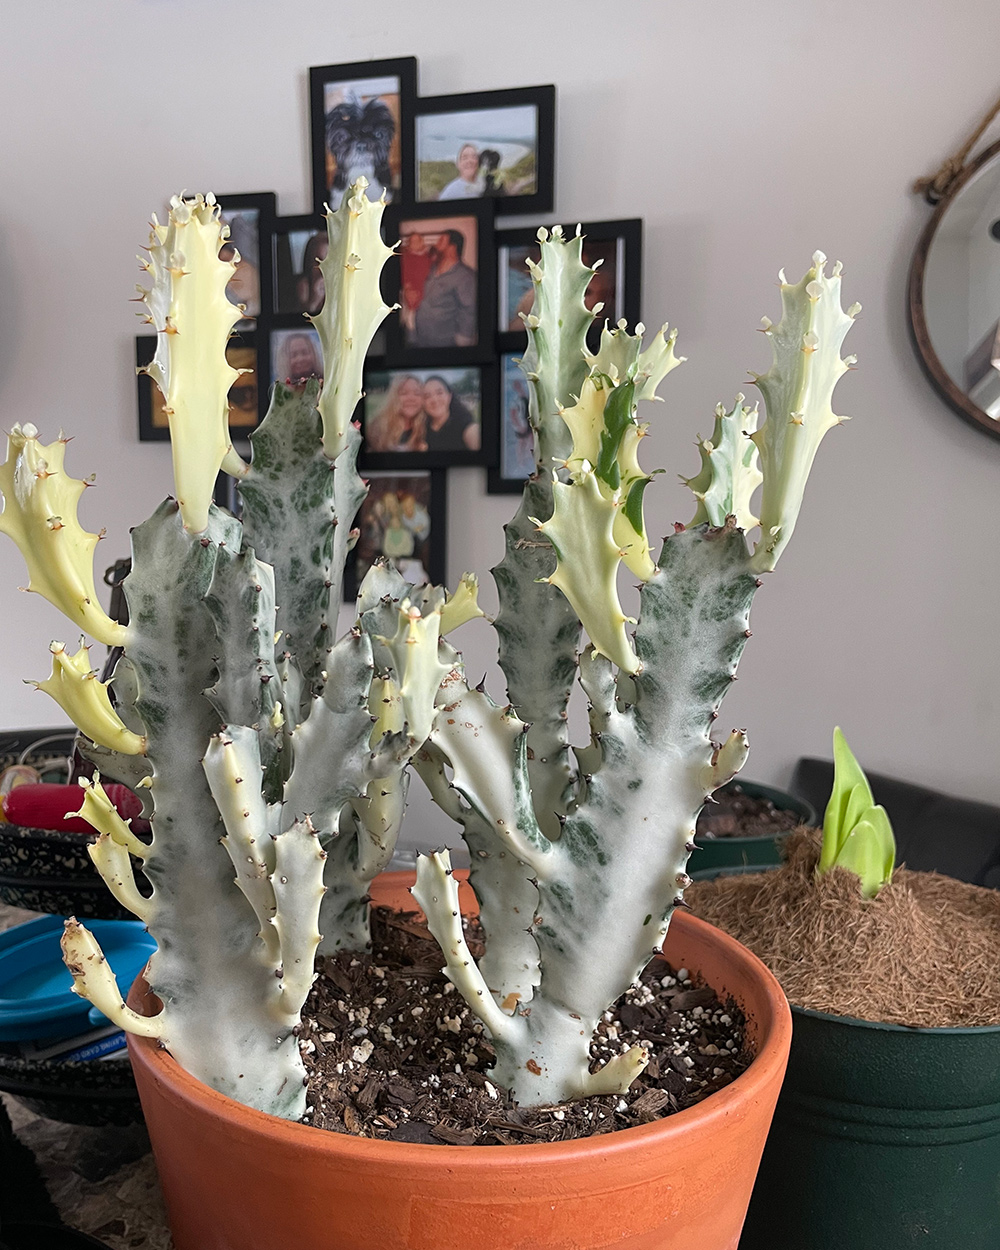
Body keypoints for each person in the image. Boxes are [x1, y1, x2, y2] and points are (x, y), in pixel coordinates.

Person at [411, 231, 476, 349]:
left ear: (452, 247)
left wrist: (463, 344)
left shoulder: (465, 276)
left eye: (441, 241)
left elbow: (469, 310)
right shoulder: (431, 268)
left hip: (443, 343)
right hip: (421, 338)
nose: (436, 244)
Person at [366, 374, 427, 452]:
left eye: (417, 393)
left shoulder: (426, 427)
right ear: (394, 397)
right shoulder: (377, 427)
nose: (411, 398)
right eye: (404, 393)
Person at [422, 375, 480, 452]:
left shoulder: (465, 425)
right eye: (427, 396)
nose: (434, 400)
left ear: (449, 396)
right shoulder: (420, 428)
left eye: (439, 393)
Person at [295, 231, 329, 315]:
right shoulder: (304, 289)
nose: (323, 269)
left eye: (328, 262)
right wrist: (313, 303)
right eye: (318, 262)